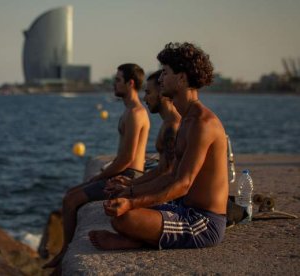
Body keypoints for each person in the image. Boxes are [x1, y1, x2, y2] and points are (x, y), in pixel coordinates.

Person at [89, 42, 229, 250]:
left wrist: (132, 202)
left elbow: (183, 183)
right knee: (118, 202)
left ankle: (133, 242)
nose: (160, 78)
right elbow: (170, 175)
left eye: (165, 73)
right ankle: (140, 238)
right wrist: (130, 190)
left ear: (181, 78)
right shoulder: (187, 118)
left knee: (124, 219)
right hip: (182, 208)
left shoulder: (202, 123)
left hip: (203, 222)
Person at [44, 63, 150, 270]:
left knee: (70, 200)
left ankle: (65, 251)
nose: (113, 84)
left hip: (130, 174)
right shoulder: (130, 111)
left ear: (130, 83)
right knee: (71, 194)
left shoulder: (136, 114)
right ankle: (64, 249)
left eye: (117, 80)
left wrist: (98, 178)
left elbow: (127, 158)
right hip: (125, 170)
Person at [104, 70, 181, 198]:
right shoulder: (167, 123)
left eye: (148, 92)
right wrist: (131, 183)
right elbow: (161, 169)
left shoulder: (172, 128)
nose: (144, 98)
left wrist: (130, 190)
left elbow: (168, 176)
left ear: (162, 93)